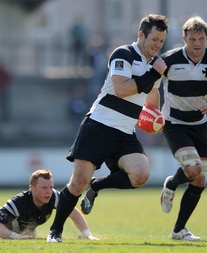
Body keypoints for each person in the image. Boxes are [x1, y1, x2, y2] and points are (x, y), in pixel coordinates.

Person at [47, 14, 169, 243]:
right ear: (141, 35)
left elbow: (152, 99)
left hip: (125, 134)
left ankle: (97, 185)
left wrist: (155, 120)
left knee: (141, 174)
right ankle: (55, 231)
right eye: (154, 39)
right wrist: (154, 73)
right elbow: (122, 89)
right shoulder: (123, 54)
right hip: (98, 126)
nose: (157, 45)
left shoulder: (156, 66)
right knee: (77, 183)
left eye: (161, 41)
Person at [159, 16, 207, 241]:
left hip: (199, 124)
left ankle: (178, 230)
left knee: (200, 180)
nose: (197, 44)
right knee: (193, 170)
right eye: (192, 39)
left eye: (201, 39)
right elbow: (150, 85)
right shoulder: (169, 60)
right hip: (174, 123)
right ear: (184, 39)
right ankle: (172, 183)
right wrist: (150, 112)